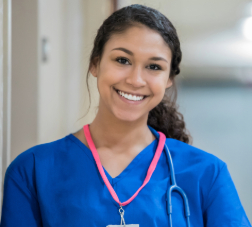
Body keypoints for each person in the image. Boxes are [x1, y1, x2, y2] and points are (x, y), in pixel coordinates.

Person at [0, 4, 251, 227]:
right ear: (95, 64)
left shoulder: (206, 173)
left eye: (154, 67)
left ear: (169, 80)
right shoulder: (32, 171)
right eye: (122, 60)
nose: (135, 80)